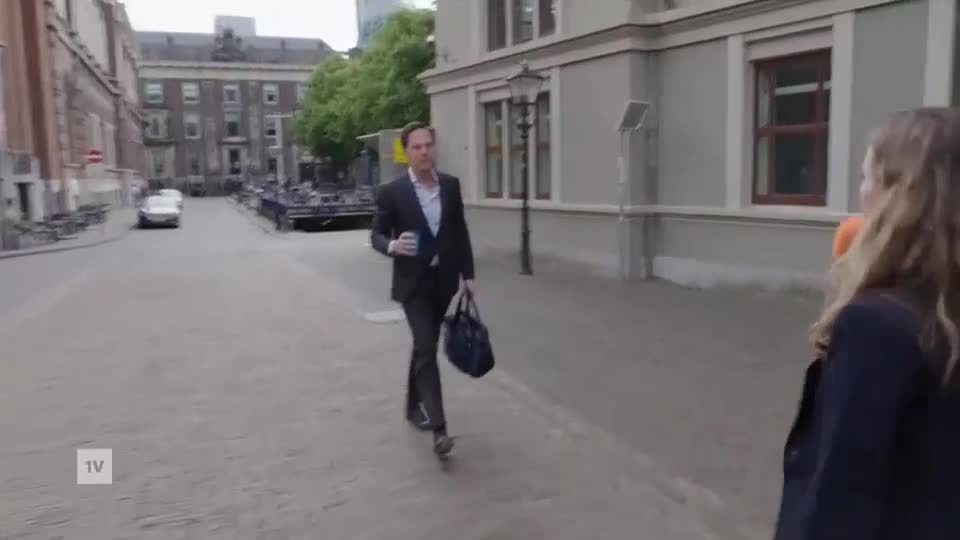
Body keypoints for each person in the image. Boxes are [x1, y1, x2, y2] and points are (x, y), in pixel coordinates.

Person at [773, 107, 960, 540]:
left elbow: (839, 497)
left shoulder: (875, 327)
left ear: (899, 197)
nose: (861, 195)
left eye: (866, 178)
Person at [370, 121, 476, 457]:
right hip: (412, 284)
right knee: (427, 347)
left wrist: (469, 275)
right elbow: (376, 234)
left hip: (443, 281)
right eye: (417, 147)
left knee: (422, 346)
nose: (424, 151)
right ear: (406, 152)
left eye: (428, 145)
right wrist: (392, 246)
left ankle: (412, 405)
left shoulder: (450, 186)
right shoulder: (392, 192)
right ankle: (440, 429)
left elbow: (459, 231)